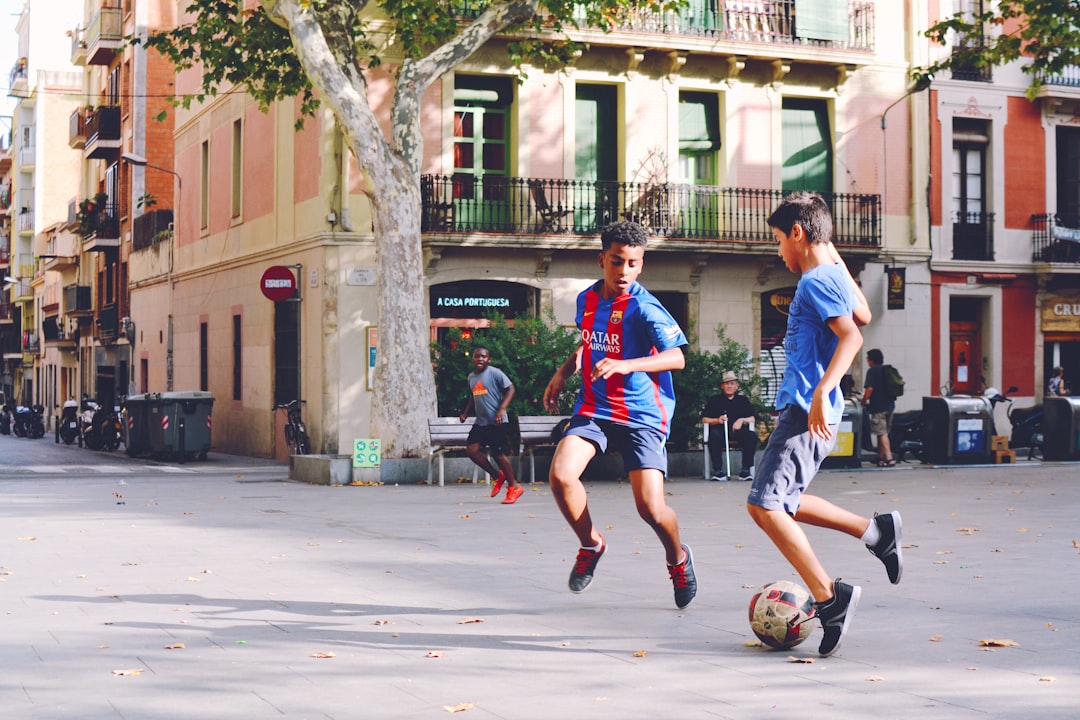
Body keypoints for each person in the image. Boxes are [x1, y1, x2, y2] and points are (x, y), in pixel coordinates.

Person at [746, 192, 903, 657]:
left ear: (797, 233)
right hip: (809, 408)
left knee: (765, 506)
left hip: (805, 407)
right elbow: (866, 314)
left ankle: (830, 598)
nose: (777, 251)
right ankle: (876, 532)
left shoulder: (816, 281)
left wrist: (821, 389)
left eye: (778, 240)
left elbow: (852, 335)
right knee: (783, 502)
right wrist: (829, 247)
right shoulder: (832, 272)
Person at [542, 220, 697, 609]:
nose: (624, 271)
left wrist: (627, 365)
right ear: (602, 260)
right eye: (616, 262)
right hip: (594, 408)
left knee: (651, 509)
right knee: (561, 475)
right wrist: (562, 374)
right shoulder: (587, 300)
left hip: (643, 415)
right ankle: (591, 544)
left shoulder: (646, 308)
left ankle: (678, 558)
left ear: (641, 265)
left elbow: (677, 358)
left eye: (632, 263)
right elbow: (588, 343)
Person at [459, 346, 523, 505]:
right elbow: (474, 397)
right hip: (481, 422)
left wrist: (501, 409)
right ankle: (497, 476)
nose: (480, 359)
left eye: (484, 356)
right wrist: (466, 413)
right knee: (471, 451)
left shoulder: (495, 373)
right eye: (477, 356)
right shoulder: (471, 377)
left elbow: (510, 389)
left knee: (498, 454)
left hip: (497, 422)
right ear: (473, 358)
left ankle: (514, 487)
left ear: (489, 359)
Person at [702, 370, 758, 481]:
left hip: (738, 432)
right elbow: (704, 419)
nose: (729, 386)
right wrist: (717, 420)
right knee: (714, 436)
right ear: (722, 386)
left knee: (751, 436)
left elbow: (752, 418)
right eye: (727, 383)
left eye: (732, 383)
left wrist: (741, 420)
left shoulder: (743, 400)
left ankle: (745, 470)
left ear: (737, 386)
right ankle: (718, 471)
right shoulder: (714, 400)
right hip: (720, 432)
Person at [861, 348, 896, 467]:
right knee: (883, 432)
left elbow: (869, 389)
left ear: (871, 360)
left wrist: (863, 401)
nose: (867, 361)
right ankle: (879, 457)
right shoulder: (887, 370)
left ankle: (889, 458)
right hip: (890, 406)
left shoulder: (872, 371)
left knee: (881, 433)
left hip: (878, 407)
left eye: (867, 359)